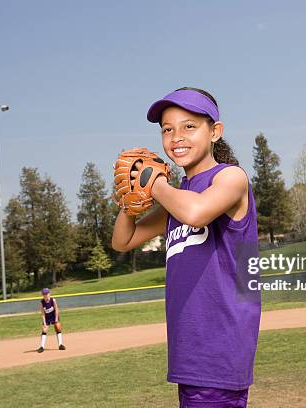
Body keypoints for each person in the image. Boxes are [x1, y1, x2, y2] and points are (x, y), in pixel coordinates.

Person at [112, 87, 261, 408]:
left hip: (220, 345)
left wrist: (154, 182)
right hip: (189, 350)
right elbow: (123, 241)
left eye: (189, 126)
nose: (176, 136)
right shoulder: (177, 197)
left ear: (215, 132)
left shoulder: (231, 178)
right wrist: (131, 200)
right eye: (168, 129)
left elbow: (196, 212)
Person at [37, 288, 66, 353]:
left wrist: (56, 319)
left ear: (49, 294)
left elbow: (56, 309)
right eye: (44, 294)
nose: (45, 295)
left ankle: (60, 345)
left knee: (58, 327)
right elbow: (43, 313)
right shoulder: (42, 302)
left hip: (53, 316)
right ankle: (42, 347)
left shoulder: (53, 300)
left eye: (47, 294)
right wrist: (44, 322)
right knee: (44, 329)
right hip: (47, 317)